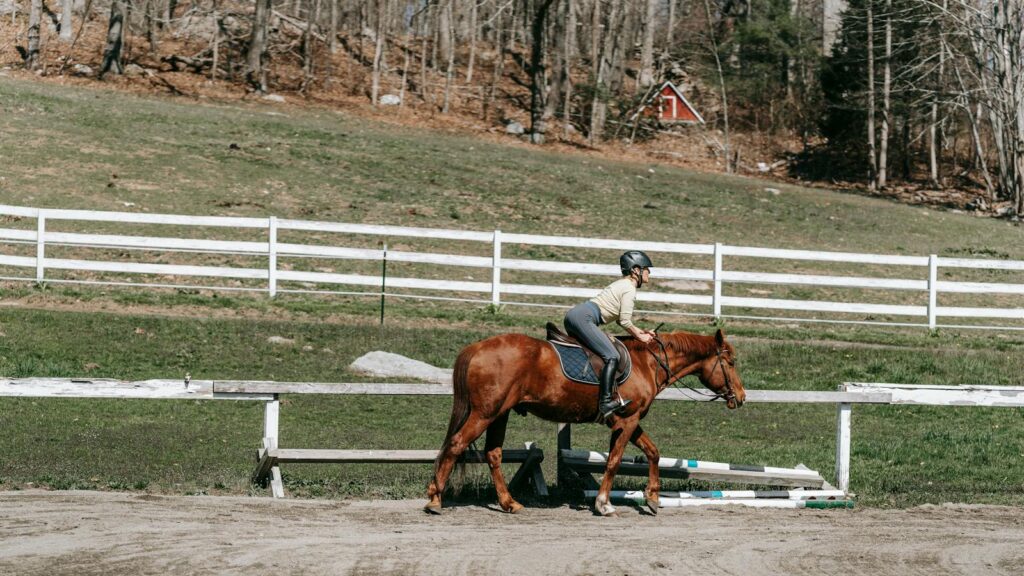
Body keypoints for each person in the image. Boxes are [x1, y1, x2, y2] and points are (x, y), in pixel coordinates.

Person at [563, 250, 656, 419]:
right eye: (646, 268)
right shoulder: (629, 288)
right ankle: (605, 402)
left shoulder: (622, 284)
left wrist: (641, 332)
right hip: (584, 318)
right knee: (612, 356)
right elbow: (626, 322)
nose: (649, 272)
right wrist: (641, 337)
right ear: (636, 270)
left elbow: (622, 321)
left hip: (576, 316)